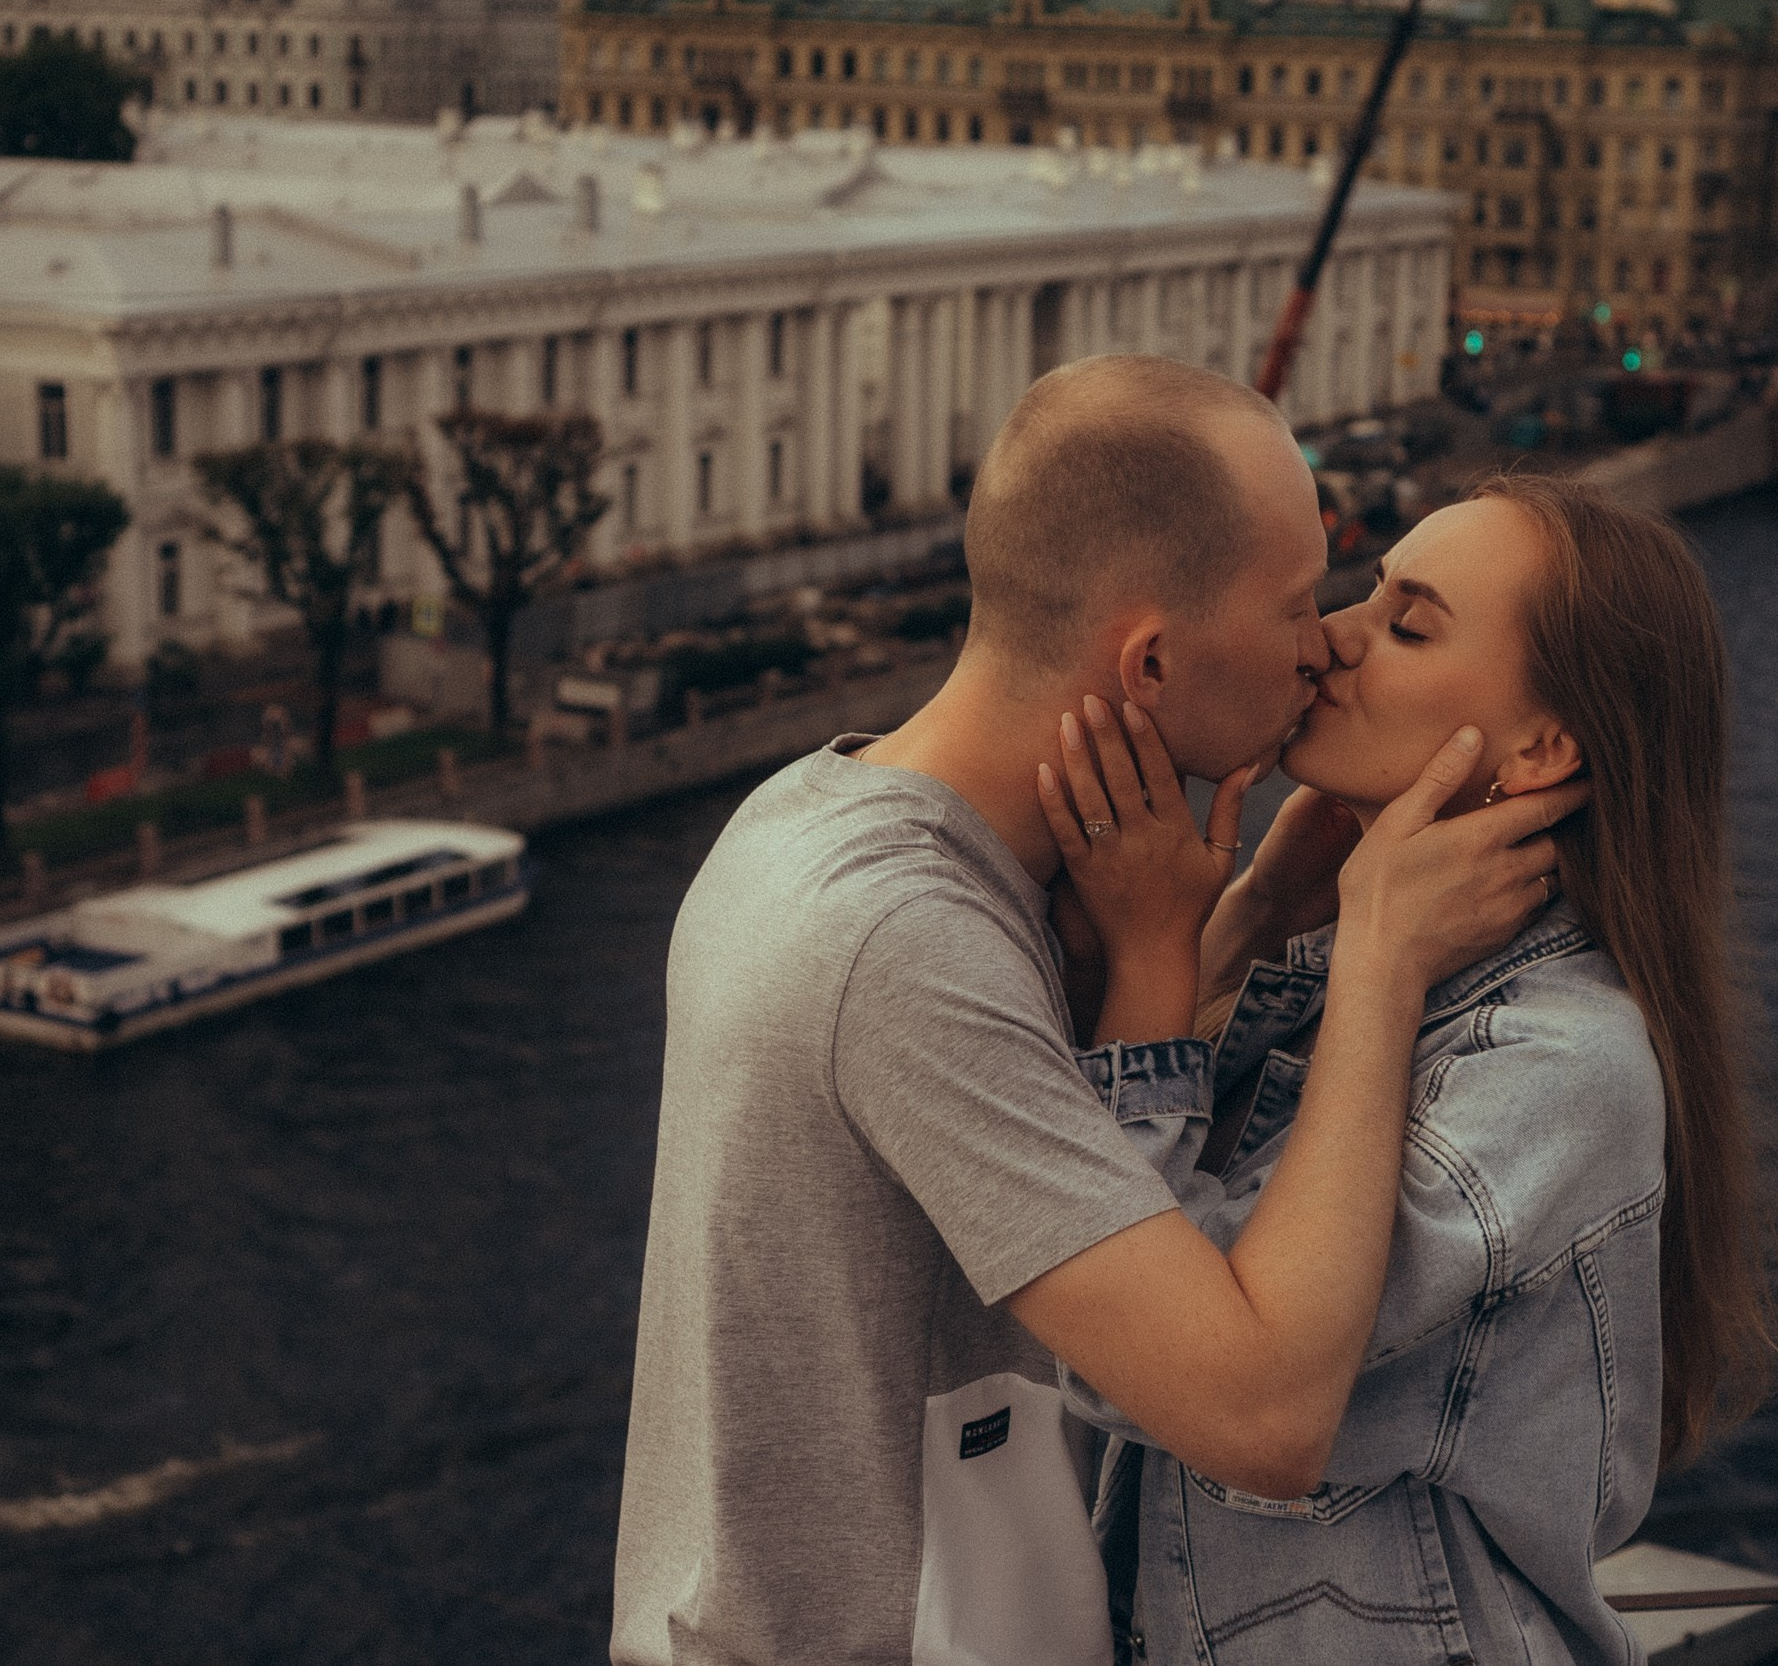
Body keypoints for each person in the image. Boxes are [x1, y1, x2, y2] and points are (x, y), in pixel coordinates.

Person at [610, 356, 1582, 1666]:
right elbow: (1265, 1414)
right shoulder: (904, 942)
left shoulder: (813, 816)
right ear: (1153, 655)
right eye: (1298, 600)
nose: (1323, 642)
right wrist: (1381, 960)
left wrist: (1207, 934)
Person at [1040, 472, 1774, 1665]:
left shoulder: (1559, 1066)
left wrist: (1156, 953)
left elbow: (1141, 1358)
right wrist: (1254, 922)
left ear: (1540, 749)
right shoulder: (1355, 965)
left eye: (1405, 623)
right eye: (1367, 593)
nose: (1329, 639)